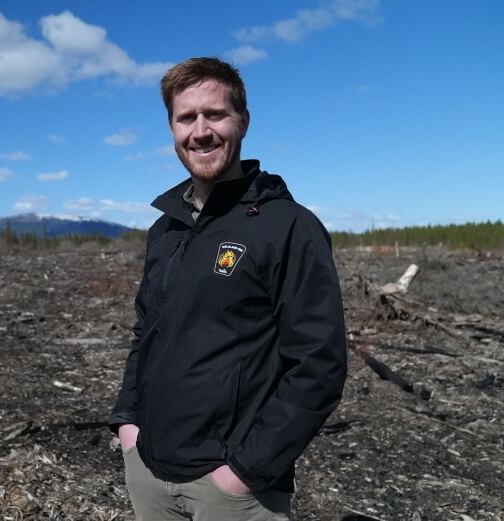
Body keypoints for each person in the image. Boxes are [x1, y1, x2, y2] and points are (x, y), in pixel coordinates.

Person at [107, 57, 347, 520]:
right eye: (186, 118)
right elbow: (146, 335)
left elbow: (319, 364)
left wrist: (243, 470)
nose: (200, 131)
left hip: (234, 490)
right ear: (172, 128)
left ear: (243, 121)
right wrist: (128, 425)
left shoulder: (287, 227)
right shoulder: (166, 230)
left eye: (214, 114)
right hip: (150, 470)